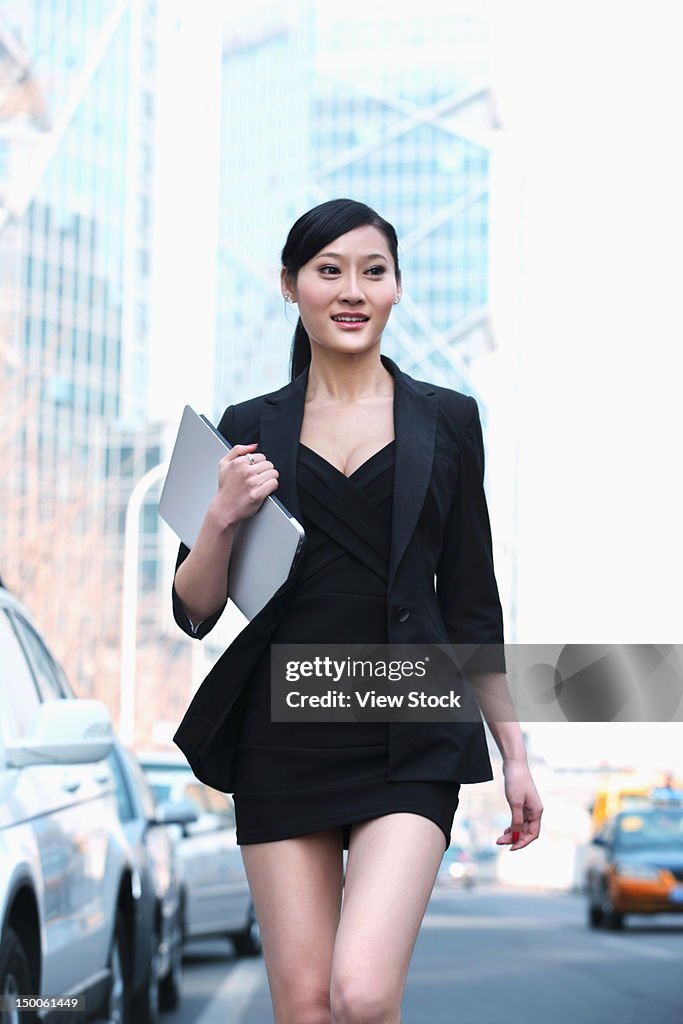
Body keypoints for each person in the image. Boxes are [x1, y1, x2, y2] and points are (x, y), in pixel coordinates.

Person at [172, 198, 543, 1024]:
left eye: (371, 271)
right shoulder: (245, 428)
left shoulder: (446, 419)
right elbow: (193, 609)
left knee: (363, 994)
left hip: (411, 725)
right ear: (289, 287)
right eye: (327, 271)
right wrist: (219, 515)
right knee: (304, 1007)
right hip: (282, 730)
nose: (351, 289)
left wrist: (515, 752)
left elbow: (472, 603)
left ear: (396, 288)